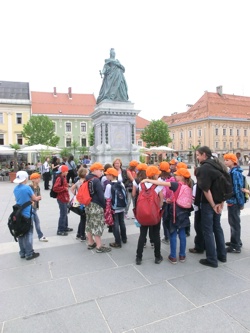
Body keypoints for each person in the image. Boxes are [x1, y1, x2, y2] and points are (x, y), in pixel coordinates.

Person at [143, 168, 193, 264]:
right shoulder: (189, 185)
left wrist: (148, 180)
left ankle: (173, 256)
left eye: (177, 174)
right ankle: (182, 255)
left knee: (173, 233)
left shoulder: (176, 185)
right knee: (182, 233)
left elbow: (161, 183)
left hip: (175, 213)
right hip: (184, 213)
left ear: (182, 176)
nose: (175, 176)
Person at [195, 146, 227, 268]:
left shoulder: (204, 168)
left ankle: (212, 259)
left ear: (204, 155)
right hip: (219, 201)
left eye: (198, 155)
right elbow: (225, 185)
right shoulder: (218, 164)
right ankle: (222, 255)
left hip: (209, 203)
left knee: (207, 230)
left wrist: (213, 204)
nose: (197, 157)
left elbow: (206, 189)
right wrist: (221, 203)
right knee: (217, 228)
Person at [135, 166, 164, 265]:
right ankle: (157, 256)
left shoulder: (141, 184)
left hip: (143, 213)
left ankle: (138, 257)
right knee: (156, 235)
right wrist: (157, 209)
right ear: (155, 175)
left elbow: (139, 197)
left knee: (142, 235)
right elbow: (161, 201)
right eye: (157, 173)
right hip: (154, 214)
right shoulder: (158, 186)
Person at [13, 171, 41, 260]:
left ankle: (22, 252)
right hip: (27, 213)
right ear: (25, 178)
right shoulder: (27, 188)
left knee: (20, 233)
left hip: (18, 214)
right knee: (29, 233)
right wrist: (38, 197)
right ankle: (29, 253)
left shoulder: (15, 189)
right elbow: (35, 198)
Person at [85, 162, 111, 253]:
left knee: (89, 223)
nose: (101, 172)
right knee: (97, 224)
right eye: (100, 170)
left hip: (88, 204)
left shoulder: (86, 179)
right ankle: (99, 246)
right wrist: (104, 206)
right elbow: (101, 195)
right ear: (95, 170)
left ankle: (90, 242)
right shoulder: (96, 180)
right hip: (96, 205)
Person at [223, 153, 244, 253]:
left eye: (227, 160)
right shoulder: (233, 171)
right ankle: (236, 241)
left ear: (233, 161)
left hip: (234, 201)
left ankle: (235, 245)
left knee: (234, 223)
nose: (225, 162)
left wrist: (240, 203)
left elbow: (237, 189)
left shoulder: (234, 173)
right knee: (233, 222)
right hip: (233, 201)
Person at [132, 163, 154, 248]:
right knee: (151, 223)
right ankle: (152, 241)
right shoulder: (149, 180)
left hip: (140, 204)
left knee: (142, 223)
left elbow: (133, 194)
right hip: (150, 203)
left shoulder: (136, 180)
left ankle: (143, 241)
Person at [104, 167, 127, 248]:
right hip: (122, 207)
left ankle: (117, 242)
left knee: (115, 225)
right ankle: (124, 238)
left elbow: (107, 197)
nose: (106, 176)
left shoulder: (109, 185)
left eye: (107, 174)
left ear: (111, 175)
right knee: (122, 222)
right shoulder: (121, 183)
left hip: (114, 208)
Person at [53, 165, 73, 236]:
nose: (67, 172)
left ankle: (65, 227)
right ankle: (60, 229)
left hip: (64, 198)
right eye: (67, 171)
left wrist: (66, 186)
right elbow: (55, 188)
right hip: (61, 198)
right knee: (63, 214)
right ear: (63, 171)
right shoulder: (59, 178)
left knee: (65, 213)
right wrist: (64, 188)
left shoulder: (63, 177)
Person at [70, 167, 88, 241]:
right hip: (84, 202)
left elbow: (72, 188)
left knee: (82, 218)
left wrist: (75, 194)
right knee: (84, 218)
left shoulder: (78, 182)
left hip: (79, 201)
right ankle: (82, 235)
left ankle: (79, 233)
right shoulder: (85, 182)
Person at [29, 173, 48, 242]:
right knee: (36, 222)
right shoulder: (30, 187)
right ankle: (40, 236)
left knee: (34, 222)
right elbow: (29, 197)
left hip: (35, 206)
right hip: (31, 207)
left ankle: (35, 236)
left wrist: (38, 198)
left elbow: (38, 196)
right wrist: (35, 198)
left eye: (39, 178)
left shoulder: (37, 187)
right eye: (37, 178)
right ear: (33, 179)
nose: (39, 179)